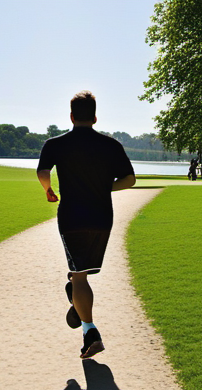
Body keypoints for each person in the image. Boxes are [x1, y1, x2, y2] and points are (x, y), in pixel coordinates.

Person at [36, 91, 136, 359]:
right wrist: (105, 189)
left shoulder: (55, 144)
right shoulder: (111, 145)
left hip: (72, 217)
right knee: (83, 271)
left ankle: (90, 331)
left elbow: (43, 172)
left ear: (71, 116)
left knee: (79, 275)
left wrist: (48, 189)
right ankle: (75, 297)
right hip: (103, 218)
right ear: (94, 116)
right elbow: (130, 180)